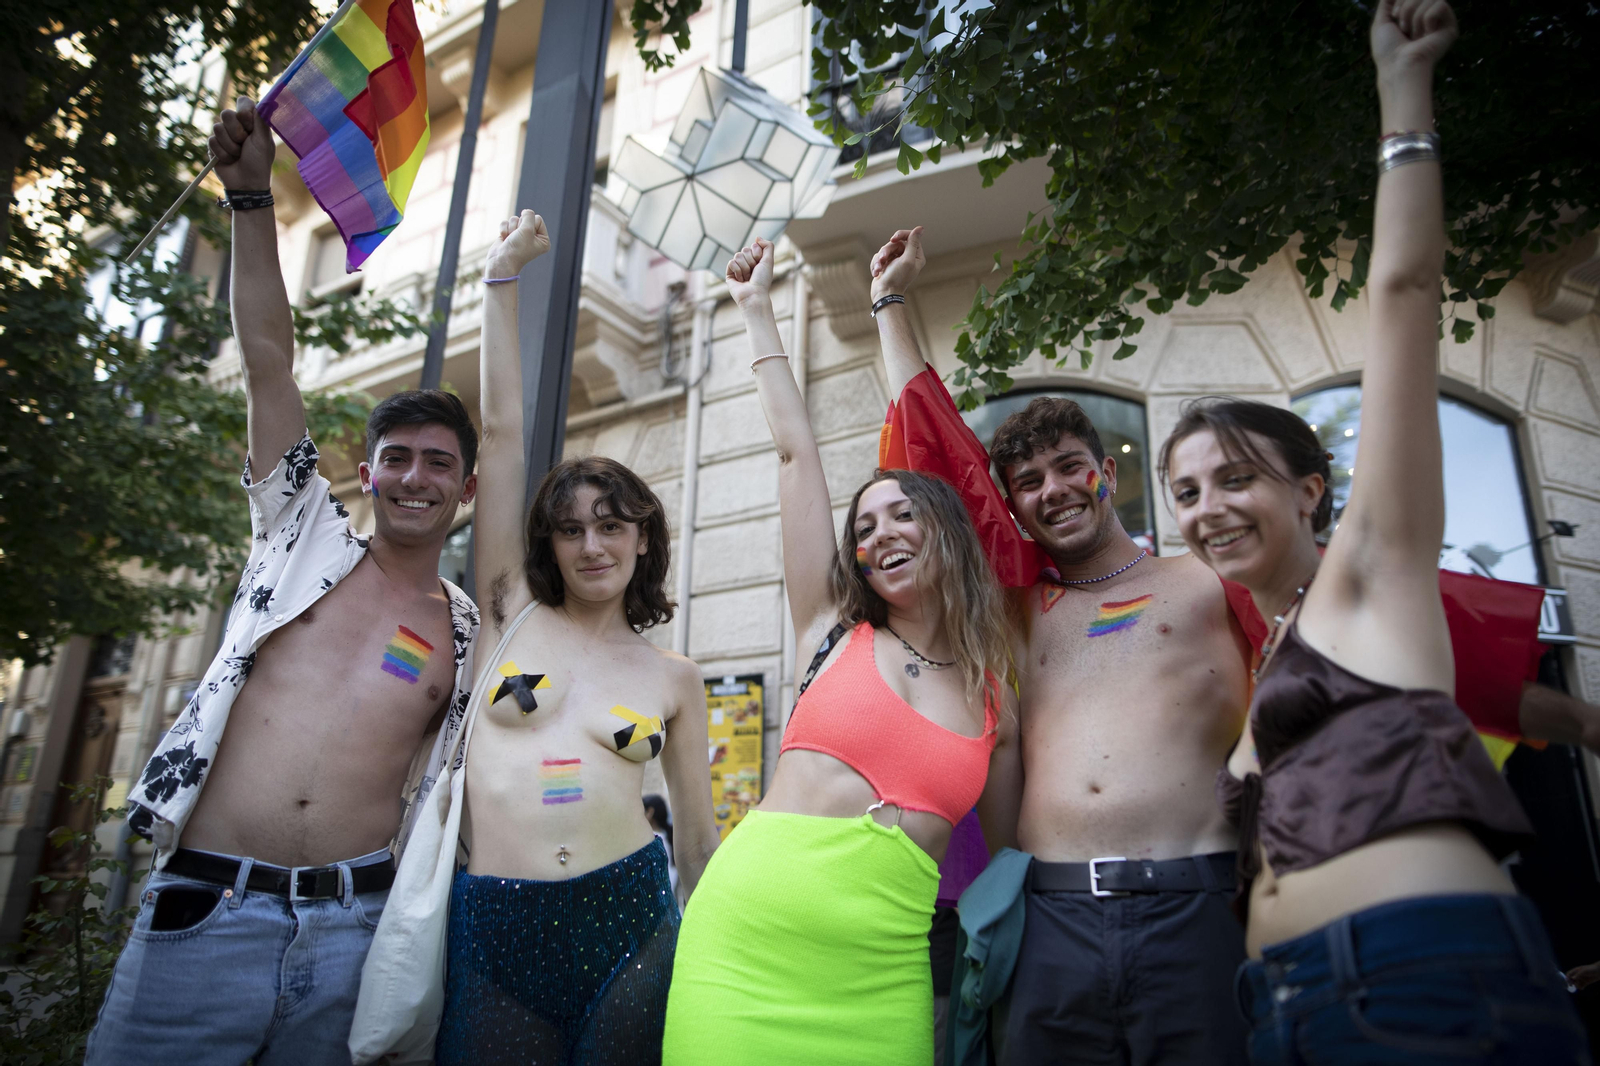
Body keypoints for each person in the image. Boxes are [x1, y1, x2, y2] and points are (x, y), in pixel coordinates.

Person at [1159, 3, 1589, 1061]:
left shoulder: (1372, 573)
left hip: (1418, 983)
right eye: (1184, 491)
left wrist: (1404, 87)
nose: (1207, 508)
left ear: (1312, 490)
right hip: (1284, 1005)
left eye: (1236, 478)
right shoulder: (1267, 643)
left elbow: (1401, 292)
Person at [87, 98, 482, 1066]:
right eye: (397, 459)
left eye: (438, 463)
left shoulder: (466, 629)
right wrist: (251, 196)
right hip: (207, 911)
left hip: (354, 930)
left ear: (466, 489)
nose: (416, 477)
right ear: (367, 474)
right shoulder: (302, 538)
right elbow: (270, 361)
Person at [354, 211, 718, 1066]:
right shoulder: (509, 609)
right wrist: (501, 279)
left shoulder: (675, 677)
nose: (592, 546)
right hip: (496, 925)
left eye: (612, 526)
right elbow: (505, 434)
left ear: (642, 539)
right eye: (571, 529)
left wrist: (720, 963)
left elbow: (699, 843)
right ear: (546, 543)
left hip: (632, 924)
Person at [869, 265, 1258, 1058]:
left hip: (1196, 906)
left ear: (1106, 474)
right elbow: (938, 460)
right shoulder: (1019, 610)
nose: (1054, 490)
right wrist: (889, 304)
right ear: (1012, 508)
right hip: (1052, 921)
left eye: (1070, 467)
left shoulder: (1207, 581)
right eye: (1028, 482)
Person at [661, 237, 1019, 1066]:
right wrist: (756, 309)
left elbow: (1007, 860)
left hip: (883, 979)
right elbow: (796, 454)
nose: (880, 533)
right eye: (864, 526)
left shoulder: (999, 700)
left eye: (903, 515)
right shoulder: (829, 630)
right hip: (743, 952)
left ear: (947, 534)